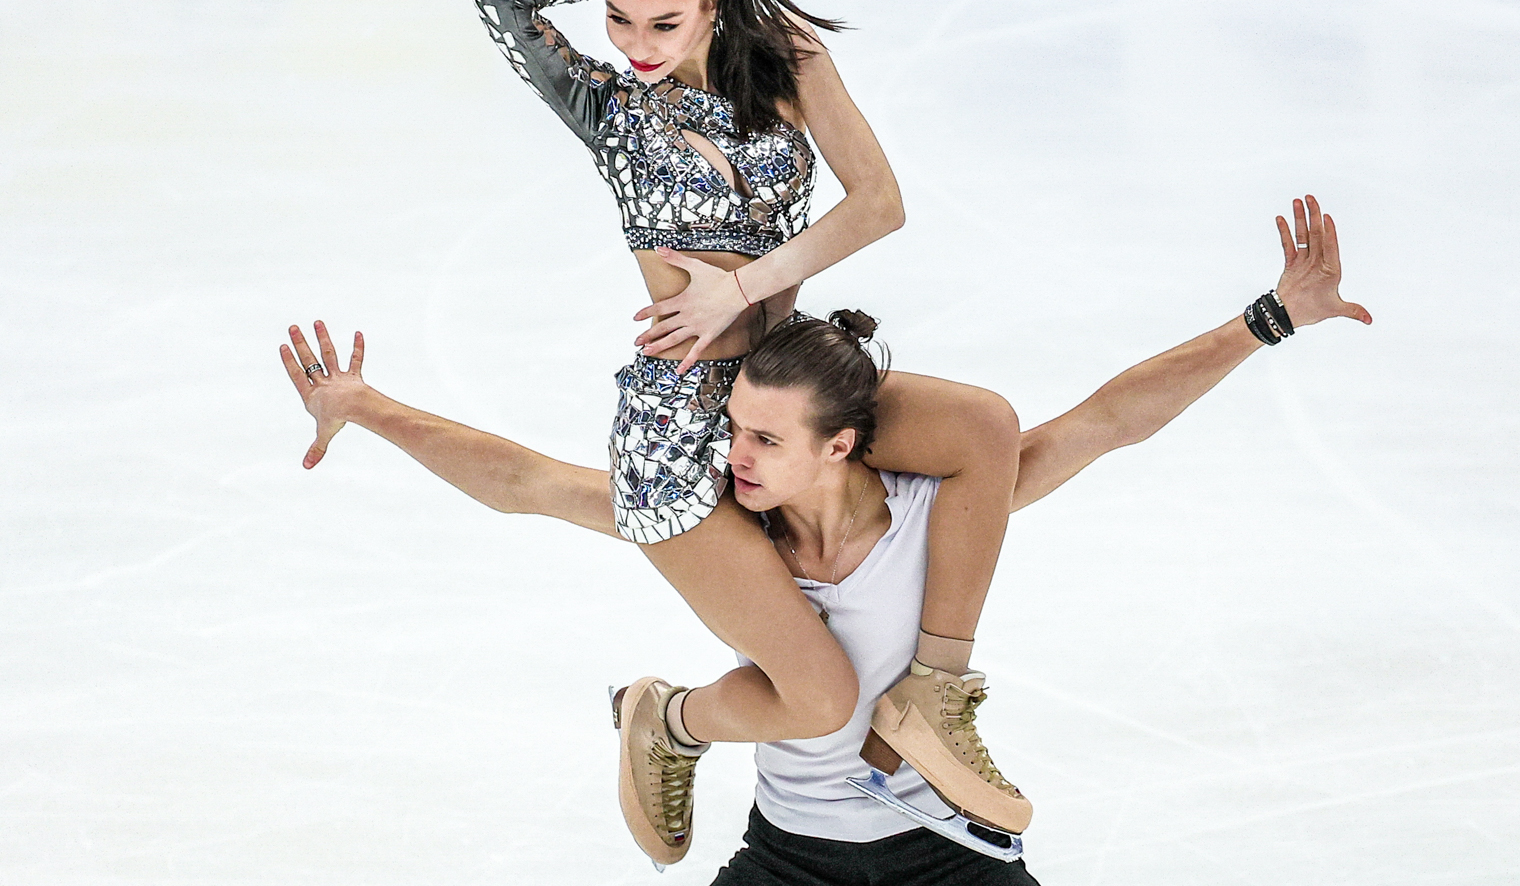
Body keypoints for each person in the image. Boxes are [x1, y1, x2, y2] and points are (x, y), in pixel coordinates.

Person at [280, 196, 1371, 882]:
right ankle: (665, 720)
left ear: (841, 444)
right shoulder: (718, 525)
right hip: (786, 861)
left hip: (948, 858)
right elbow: (526, 481)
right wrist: (366, 406)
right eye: (732, 427)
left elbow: (1101, 421)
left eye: (762, 436)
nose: (733, 454)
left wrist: (1268, 316)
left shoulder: (938, 516)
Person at [468, 0, 1025, 860]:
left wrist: (745, 289)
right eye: (617, 15)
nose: (636, 41)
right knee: (815, 695)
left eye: (665, 16)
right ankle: (666, 716)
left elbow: (878, 203)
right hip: (681, 431)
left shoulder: (788, 63)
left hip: (777, 376)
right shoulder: (609, 105)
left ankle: (934, 691)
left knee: (983, 429)